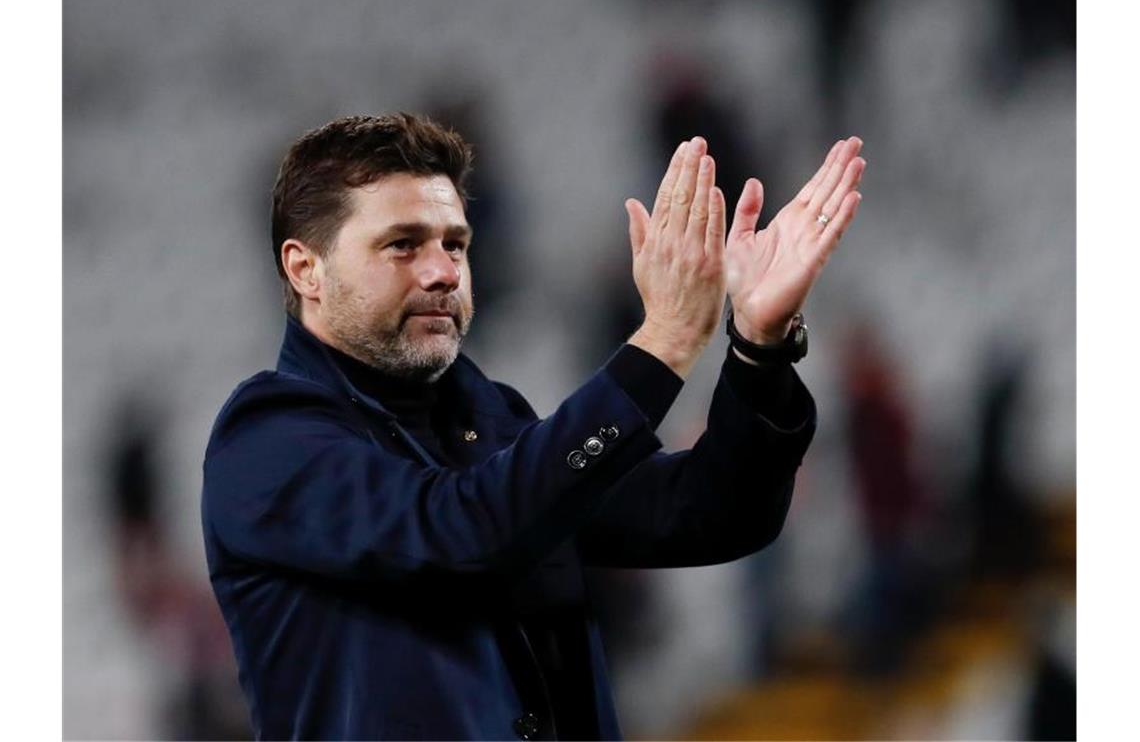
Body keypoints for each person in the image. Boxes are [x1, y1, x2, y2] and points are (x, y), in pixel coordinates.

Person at [201, 113, 865, 740]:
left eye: (454, 244)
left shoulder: (488, 422)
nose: (443, 272)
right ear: (306, 269)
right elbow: (460, 534)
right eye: (403, 245)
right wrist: (662, 342)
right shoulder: (265, 443)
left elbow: (711, 513)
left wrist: (758, 350)